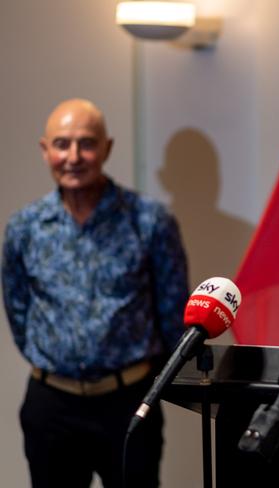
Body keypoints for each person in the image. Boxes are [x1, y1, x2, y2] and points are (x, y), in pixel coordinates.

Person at [2, 98, 189, 488]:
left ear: (107, 148)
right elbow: (18, 311)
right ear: (45, 150)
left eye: (86, 143)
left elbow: (173, 314)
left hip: (128, 401)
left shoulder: (149, 221)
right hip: (51, 406)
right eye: (61, 144)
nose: (73, 156)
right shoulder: (24, 228)